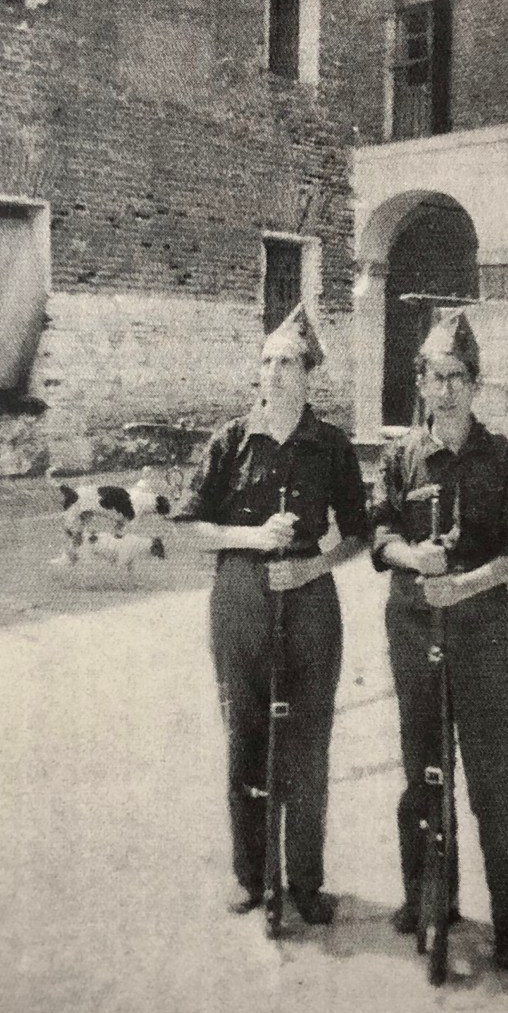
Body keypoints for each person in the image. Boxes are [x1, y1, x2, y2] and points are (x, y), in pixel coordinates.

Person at [174, 303, 368, 925]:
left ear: (310, 373)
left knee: (309, 740)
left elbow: (361, 534)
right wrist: (256, 538)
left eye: (288, 362)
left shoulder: (330, 445)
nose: (275, 371)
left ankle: (306, 883)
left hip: (309, 598)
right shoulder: (230, 441)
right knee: (245, 735)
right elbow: (194, 527)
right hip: (240, 598)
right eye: (267, 361)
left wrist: (312, 566)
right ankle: (251, 875)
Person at [370, 309, 508, 972]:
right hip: (414, 629)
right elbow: (381, 535)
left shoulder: (507, 462)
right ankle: (429, 901)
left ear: (476, 385)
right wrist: (417, 561)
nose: (444, 391)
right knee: (424, 772)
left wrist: (461, 585)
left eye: (457, 378)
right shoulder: (399, 457)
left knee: (499, 781)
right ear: (419, 382)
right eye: (433, 378)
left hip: (486, 637)